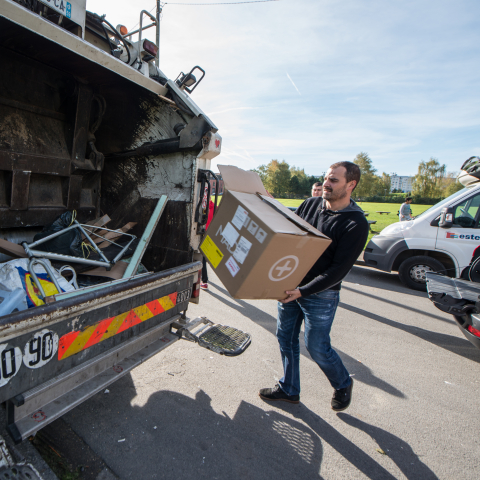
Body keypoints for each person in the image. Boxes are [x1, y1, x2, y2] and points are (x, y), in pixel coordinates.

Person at [259, 161, 369, 411]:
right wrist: (270, 207)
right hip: (290, 284)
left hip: (321, 293)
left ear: (351, 185)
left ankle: (342, 383)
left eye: (334, 181)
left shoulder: (355, 223)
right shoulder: (310, 204)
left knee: (317, 346)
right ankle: (289, 389)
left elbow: (338, 271)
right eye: (327, 178)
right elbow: (289, 232)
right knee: (285, 337)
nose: (327, 184)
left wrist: (304, 291)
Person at [201, 199, 215, 289]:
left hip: (202, 234)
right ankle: (204, 280)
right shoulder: (215, 207)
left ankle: (204, 280)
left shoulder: (202, 208)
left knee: (202, 257)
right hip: (210, 235)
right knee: (207, 257)